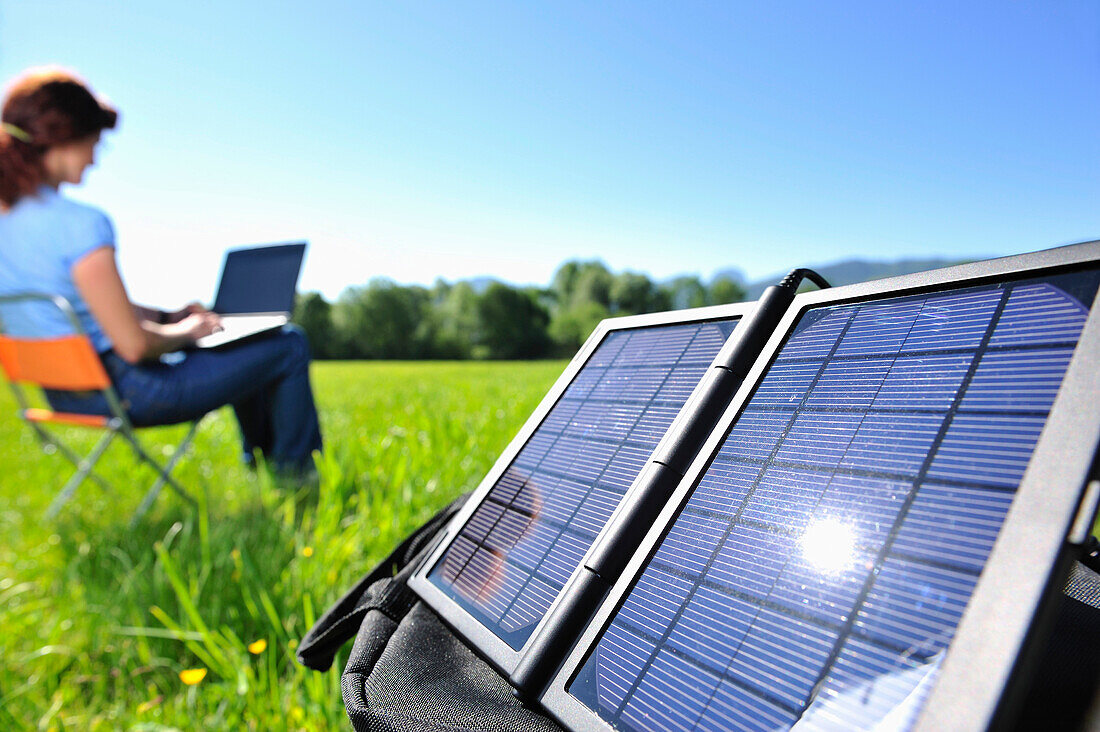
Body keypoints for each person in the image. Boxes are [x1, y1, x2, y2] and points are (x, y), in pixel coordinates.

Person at [0, 68, 322, 476]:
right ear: (64, 137)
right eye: (94, 144)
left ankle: (260, 462)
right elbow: (134, 346)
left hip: (62, 394)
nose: (95, 159)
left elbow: (90, 306)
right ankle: (294, 477)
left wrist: (171, 318)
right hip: (130, 391)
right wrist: (189, 332)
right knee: (288, 344)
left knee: (247, 343)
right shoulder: (81, 224)